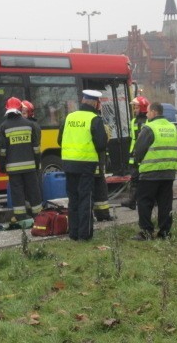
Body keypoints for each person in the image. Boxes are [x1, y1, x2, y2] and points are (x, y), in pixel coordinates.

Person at [58, 89, 108, 241]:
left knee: (73, 199)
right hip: (86, 164)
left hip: (68, 163)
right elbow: (101, 144)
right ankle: (84, 235)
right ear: (96, 103)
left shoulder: (69, 117)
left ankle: (73, 234)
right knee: (85, 198)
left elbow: (60, 140)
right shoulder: (95, 119)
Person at [131, 102, 177, 240]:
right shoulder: (172, 127)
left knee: (145, 202)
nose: (146, 114)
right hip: (169, 172)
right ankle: (165, 232)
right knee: (165, 203)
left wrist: (138, 163)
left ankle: (146, 231)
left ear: (153, 112)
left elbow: (139, 150)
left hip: (150, 172)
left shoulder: (149, 128)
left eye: (147, 112)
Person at [0, 97, 43, 222]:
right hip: (30, 167)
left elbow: (2, 151)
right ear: (19, 109)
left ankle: (21, 217)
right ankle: (38, 216)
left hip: (13, 169)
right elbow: (36, 148)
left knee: (17, 193)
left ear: (7, 109)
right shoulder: (30, 125)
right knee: (34, 191)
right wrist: (36, 163)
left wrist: (1, 165)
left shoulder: (3, 126)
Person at [121, 96, 150, 210]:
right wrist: (131, 154)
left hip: (146, 155)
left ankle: (150, 200)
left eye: (136, 107)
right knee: (134, 178)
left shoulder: (149, 121)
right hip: (134, 154)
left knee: (147, 179)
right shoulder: (133, 121)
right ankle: (132, 201)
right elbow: (133, 138)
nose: (135, 109)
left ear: (142, 107)